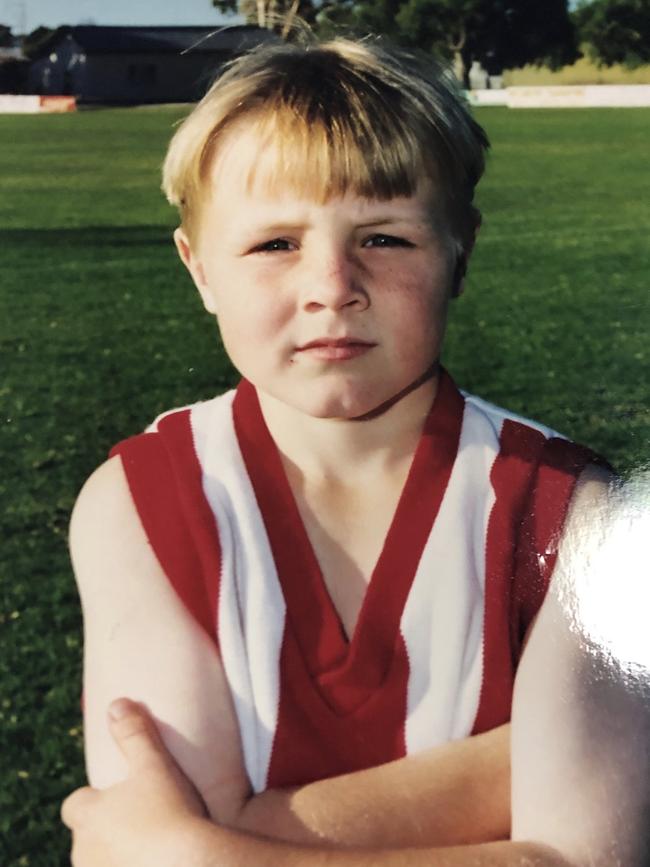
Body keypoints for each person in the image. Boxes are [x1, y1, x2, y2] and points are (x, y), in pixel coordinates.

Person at [62, 35, 640, 866]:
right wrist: (513, 768)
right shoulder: (138, 503)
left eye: (385, 239)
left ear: (459, 251)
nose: (332, 285)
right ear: (199, 270)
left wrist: (215, 851)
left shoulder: (573, 516)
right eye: (275, 244)